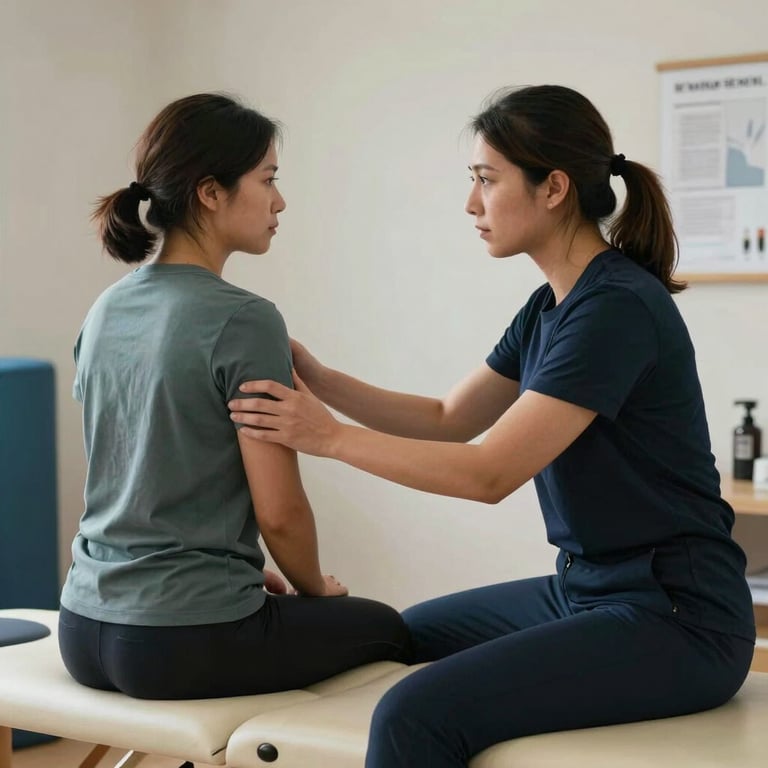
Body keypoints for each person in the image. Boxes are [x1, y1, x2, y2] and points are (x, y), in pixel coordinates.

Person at [228, 84, 756, 766]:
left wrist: (326, 437)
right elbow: (449, 418)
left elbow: (489, 473)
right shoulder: (550, 307)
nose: (471, 203)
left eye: (486, 180)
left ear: (554, 187)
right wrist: (320, 380)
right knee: (391, 634)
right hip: (585, 590)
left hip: (678, 618)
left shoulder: (615, 309)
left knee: (415, 713)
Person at [59, 93, 409, 701]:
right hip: (185, 641)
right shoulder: (244, 319)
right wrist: (315, 590)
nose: (279, 201)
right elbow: (279, 511)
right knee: (389, 629)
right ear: (210, 192)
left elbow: (142, 470)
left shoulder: (107, 307)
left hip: (83, 628)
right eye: (267, 180)